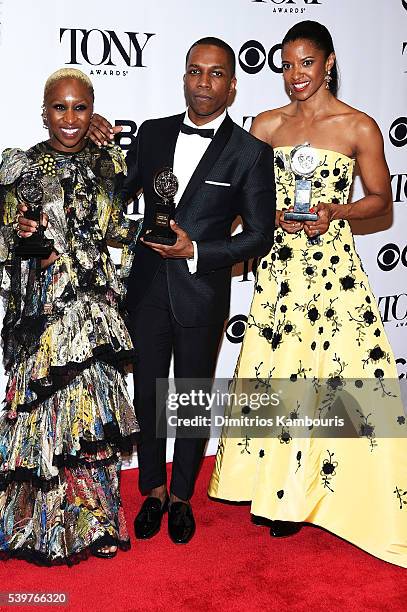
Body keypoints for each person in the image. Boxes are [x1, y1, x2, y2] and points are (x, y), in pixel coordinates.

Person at [208, 21, 407, 568]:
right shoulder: (265, 124)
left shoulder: (358, 127)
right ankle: (282, 493)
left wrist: (334, 211)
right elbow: (240, 197)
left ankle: (343, 491)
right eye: (287, 65)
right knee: (280, 373)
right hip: (280, 269)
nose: (296, 75)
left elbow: (380, 204)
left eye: (306, 63)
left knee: (339, 378)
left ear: (329, 62)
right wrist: (260, 217)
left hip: (333, 271)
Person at [89, 36, 276, 544]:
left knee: (192, 397)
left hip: (201, 292)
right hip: (147, 288)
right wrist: (94, 141)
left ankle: (182, 496)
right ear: (185, 77)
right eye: (195, 71)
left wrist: (197, 252)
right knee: (148, 392)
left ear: (233, 86)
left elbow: (260, 233)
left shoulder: (250, 153)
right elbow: (116, 195)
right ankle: (151, 488)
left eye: (216, 74)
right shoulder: (150, 134)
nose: (204, 82)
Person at [0, 68, 141, 564]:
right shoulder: (21, 168)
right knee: (45, 421)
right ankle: (38, 530)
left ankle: (97, 526)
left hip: (94, 309)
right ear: (44, 112)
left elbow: (119, 233)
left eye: (80, 107)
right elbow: (6, 244)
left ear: (93, 110)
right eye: (60, 107)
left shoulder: (109, 164)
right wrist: (19, 238)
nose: (70, 118)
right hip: (47, 314)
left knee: (92, 423)